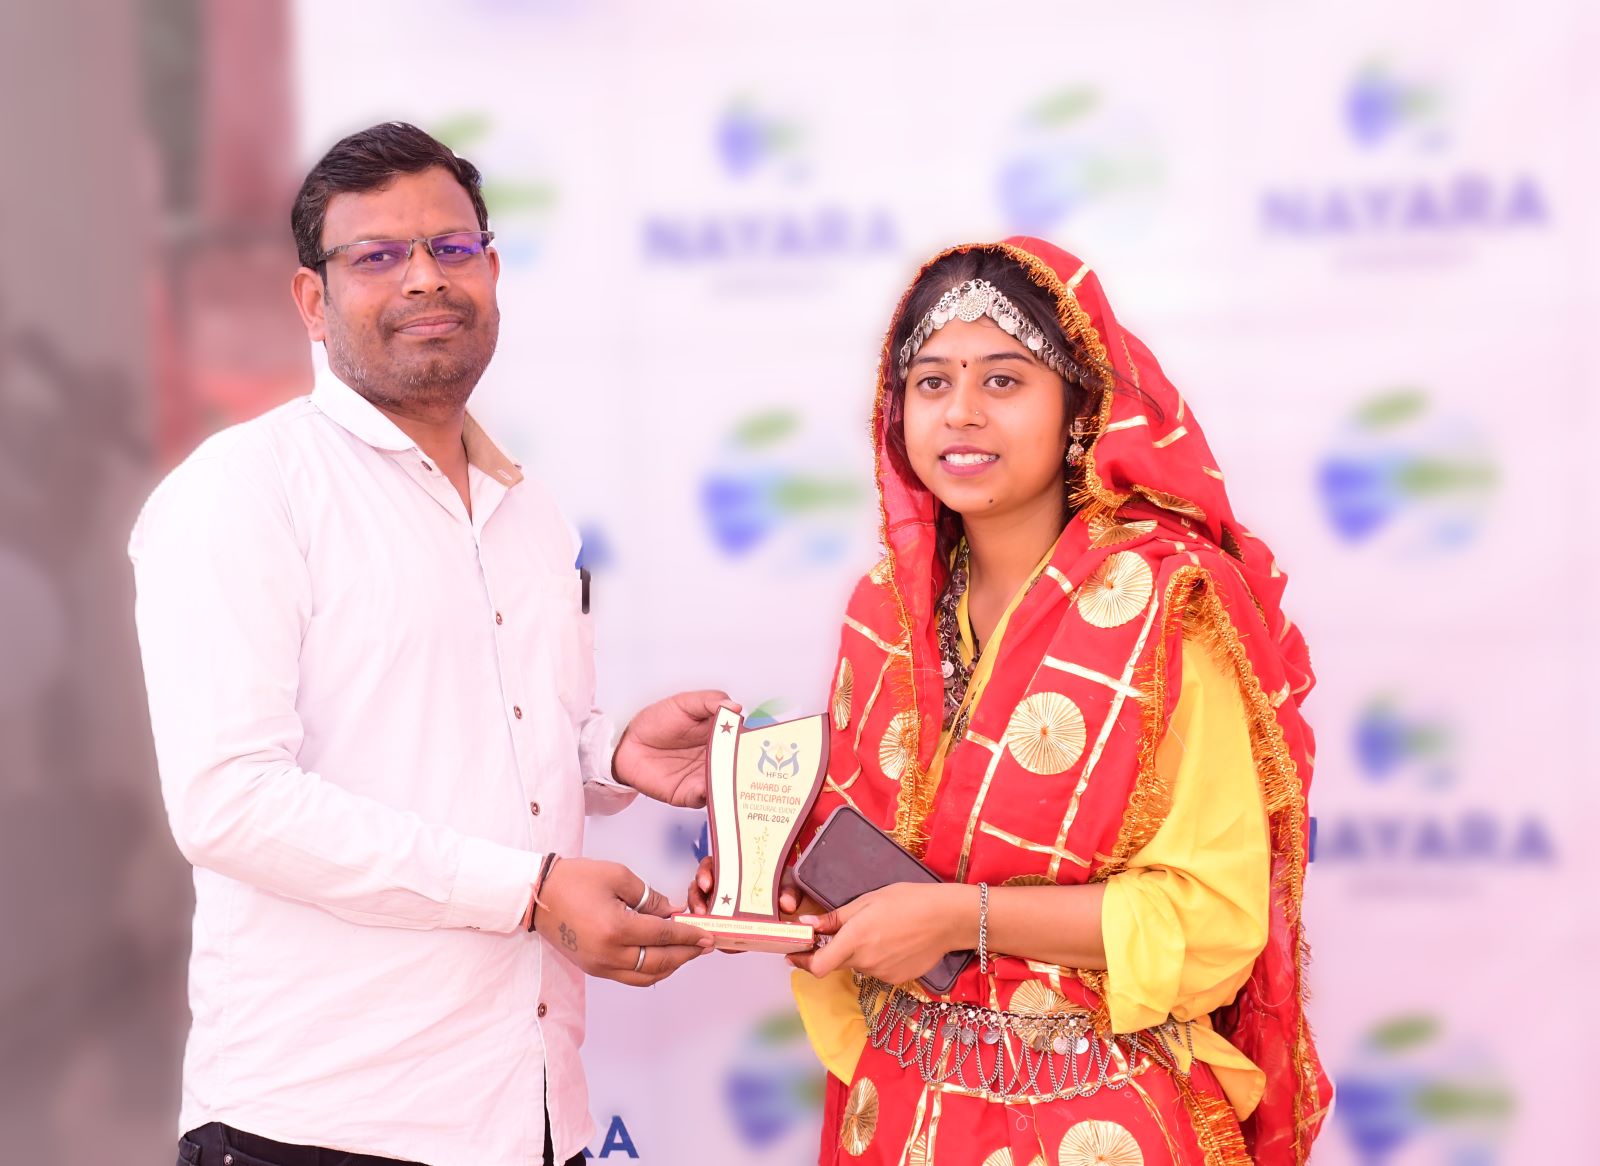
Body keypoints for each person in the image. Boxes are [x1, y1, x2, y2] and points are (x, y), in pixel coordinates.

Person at [131, 122, 725, 1166]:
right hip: (322, 1120)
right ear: (311, 300)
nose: (425, 278)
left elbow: (485, 732)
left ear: (491, 271)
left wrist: (611, 753)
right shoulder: (243, 492)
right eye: (376, 255)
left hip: (535, 1111)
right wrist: (531, 891)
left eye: (452, 248)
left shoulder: (528, 506)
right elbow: (230, 799)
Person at [694, 238, 1331, 1165]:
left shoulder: (1166, 610)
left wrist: (962, 918)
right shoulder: (886, 611)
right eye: (931, 382)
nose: (961, 411)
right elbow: (864, 863)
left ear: (1079, 408)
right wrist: (774, 891)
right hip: (898, 1114)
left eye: (1002, 380)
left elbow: (1212, 917)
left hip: (1097, 1122)